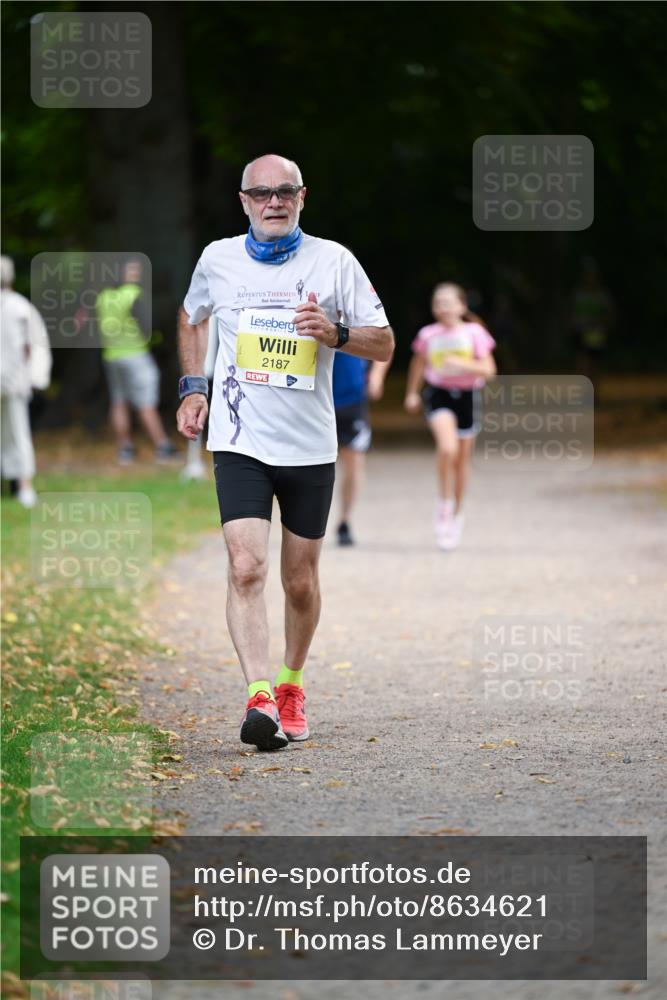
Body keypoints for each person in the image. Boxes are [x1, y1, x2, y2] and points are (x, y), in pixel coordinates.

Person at [176, 153, 394, 751]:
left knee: (299, 581)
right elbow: (191, 317)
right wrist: (194, 388)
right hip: (240, 440)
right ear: (243, 201)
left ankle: (293, 682)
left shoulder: (334, 260)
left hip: (308, 445)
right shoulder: (217, 259)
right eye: (261, 193)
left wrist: (337, 333)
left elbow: (384, 343)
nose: (274, 201)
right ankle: (259, 697)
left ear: (302, 197)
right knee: (246, 567)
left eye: (285, 191)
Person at [404, 282, 496, 550]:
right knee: (447, 448)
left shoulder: (474, 332)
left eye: (448, 302)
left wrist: (463, 364)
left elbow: (489, 369)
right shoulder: (428, 335)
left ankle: (456, 513)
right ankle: (443, 506)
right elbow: (418, 363)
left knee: (462, 462)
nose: (442, 307)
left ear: (462, 305)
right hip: (439, 394)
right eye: (438, 303)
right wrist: (412, 392)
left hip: (467, 397)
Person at [95, 259, 178, 465]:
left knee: (119, 402)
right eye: (132, 272)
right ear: (123, 274)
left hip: (112, 355)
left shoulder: (103, 297)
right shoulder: (133, 295)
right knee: (146, 402)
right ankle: (162, 446)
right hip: (135, 355)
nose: (136, 276)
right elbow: (148, 326)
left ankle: (125, 449)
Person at [0, 255, 52, 508]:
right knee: (17, 433)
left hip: (13, 380)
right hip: (14, 379)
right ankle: (22, 486)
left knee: (18, 432)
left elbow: (34, 345)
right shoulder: (21, 306)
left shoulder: (19, 307)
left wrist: (36, 377)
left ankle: (24, 486)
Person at [332, 352, 391, 545]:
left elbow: (386, 342)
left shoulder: (357, 320)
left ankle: (345, 521)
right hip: (315, 399)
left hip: (352, 400)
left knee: (353, 466)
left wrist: (376, 376)